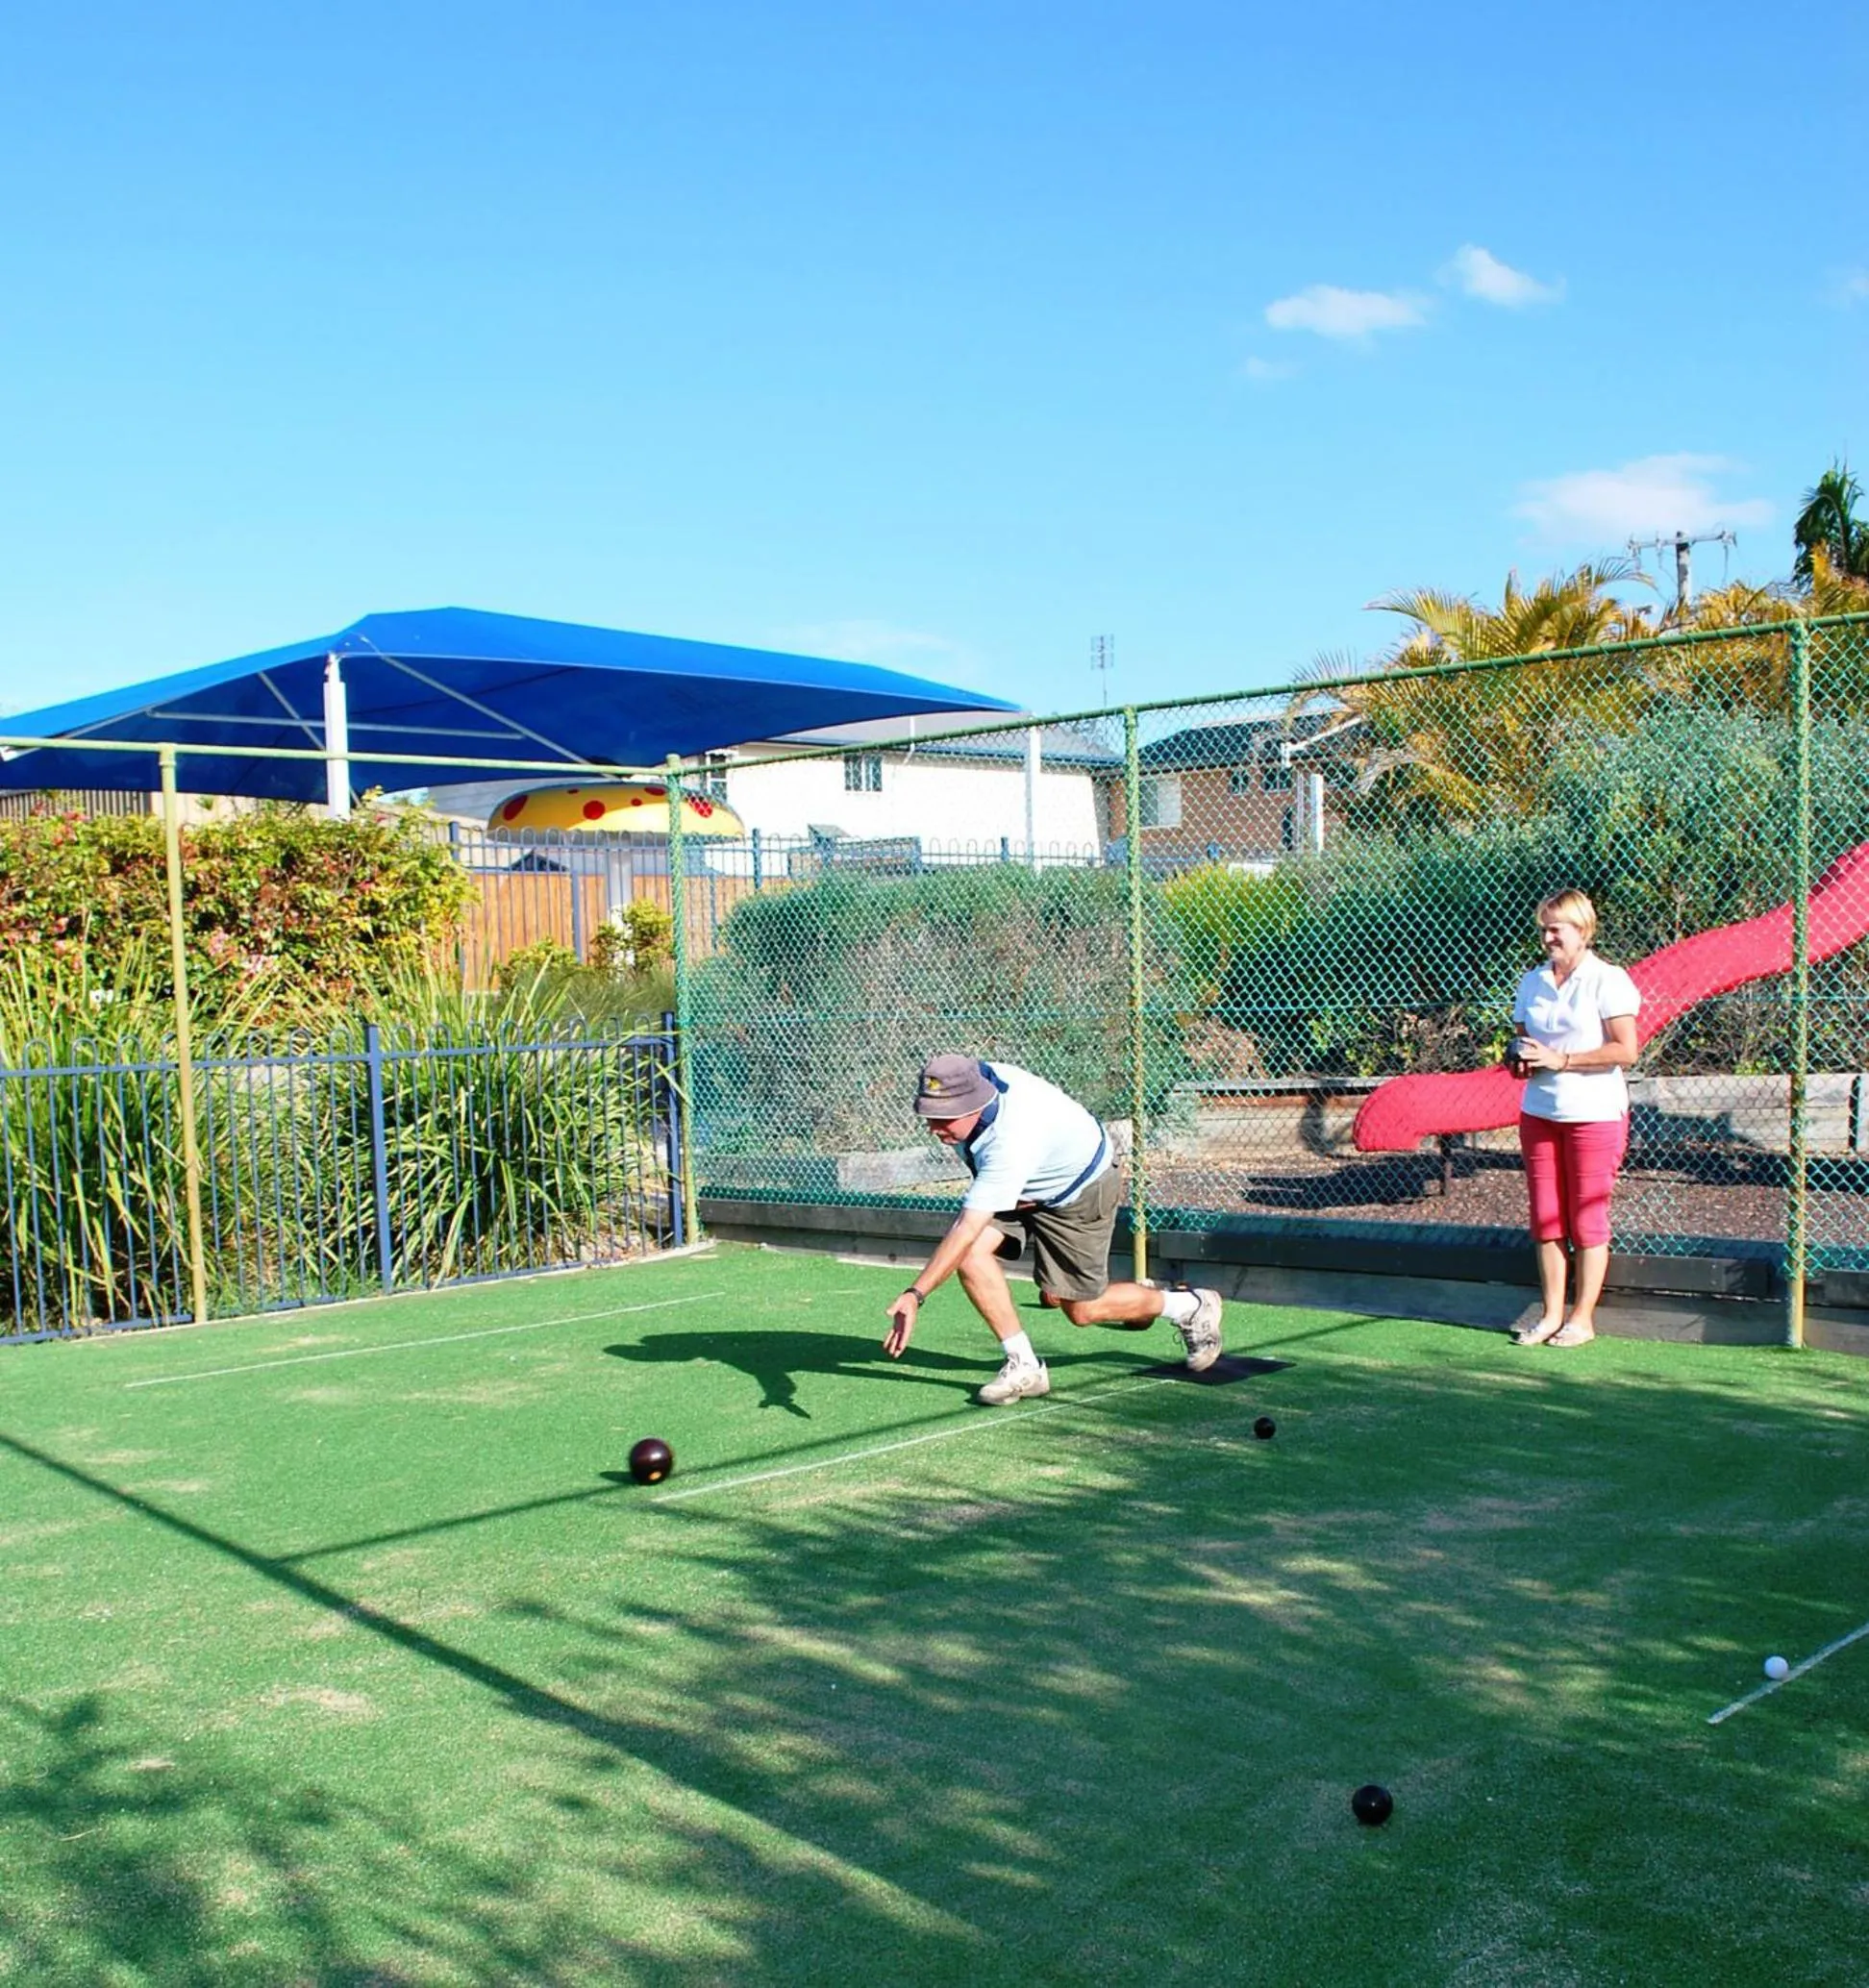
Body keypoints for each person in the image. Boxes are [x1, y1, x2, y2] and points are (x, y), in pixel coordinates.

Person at [883, 1053, 1224, 1404]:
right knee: (970, 1254)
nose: (934, 1127)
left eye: (945, 1117)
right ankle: (1024, 1365)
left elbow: (967, 1227)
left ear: (975, 1103)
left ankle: (1188, 1305)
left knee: (1083, 1310)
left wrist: (915, 1294)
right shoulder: (973, 1079)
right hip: (1027, 1184)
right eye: (930, 1114)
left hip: (1079, 1190)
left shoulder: (1010, 1140)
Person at [1508, 889, 1640, 1349]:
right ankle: (1549, 1316)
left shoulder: (1608, 979)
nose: (1548, 938)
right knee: (1547, 1219)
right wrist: (1521, 1062)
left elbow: (1626, 1049)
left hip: (1595, 1115)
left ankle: (1582, 1319)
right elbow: (1524, 1041)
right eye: (1544, 929)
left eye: (1556, 929)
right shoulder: (1533, 981)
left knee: (1587, 1219)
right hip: (1540, 1112)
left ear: (1583, 930)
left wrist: (1562, 1060)